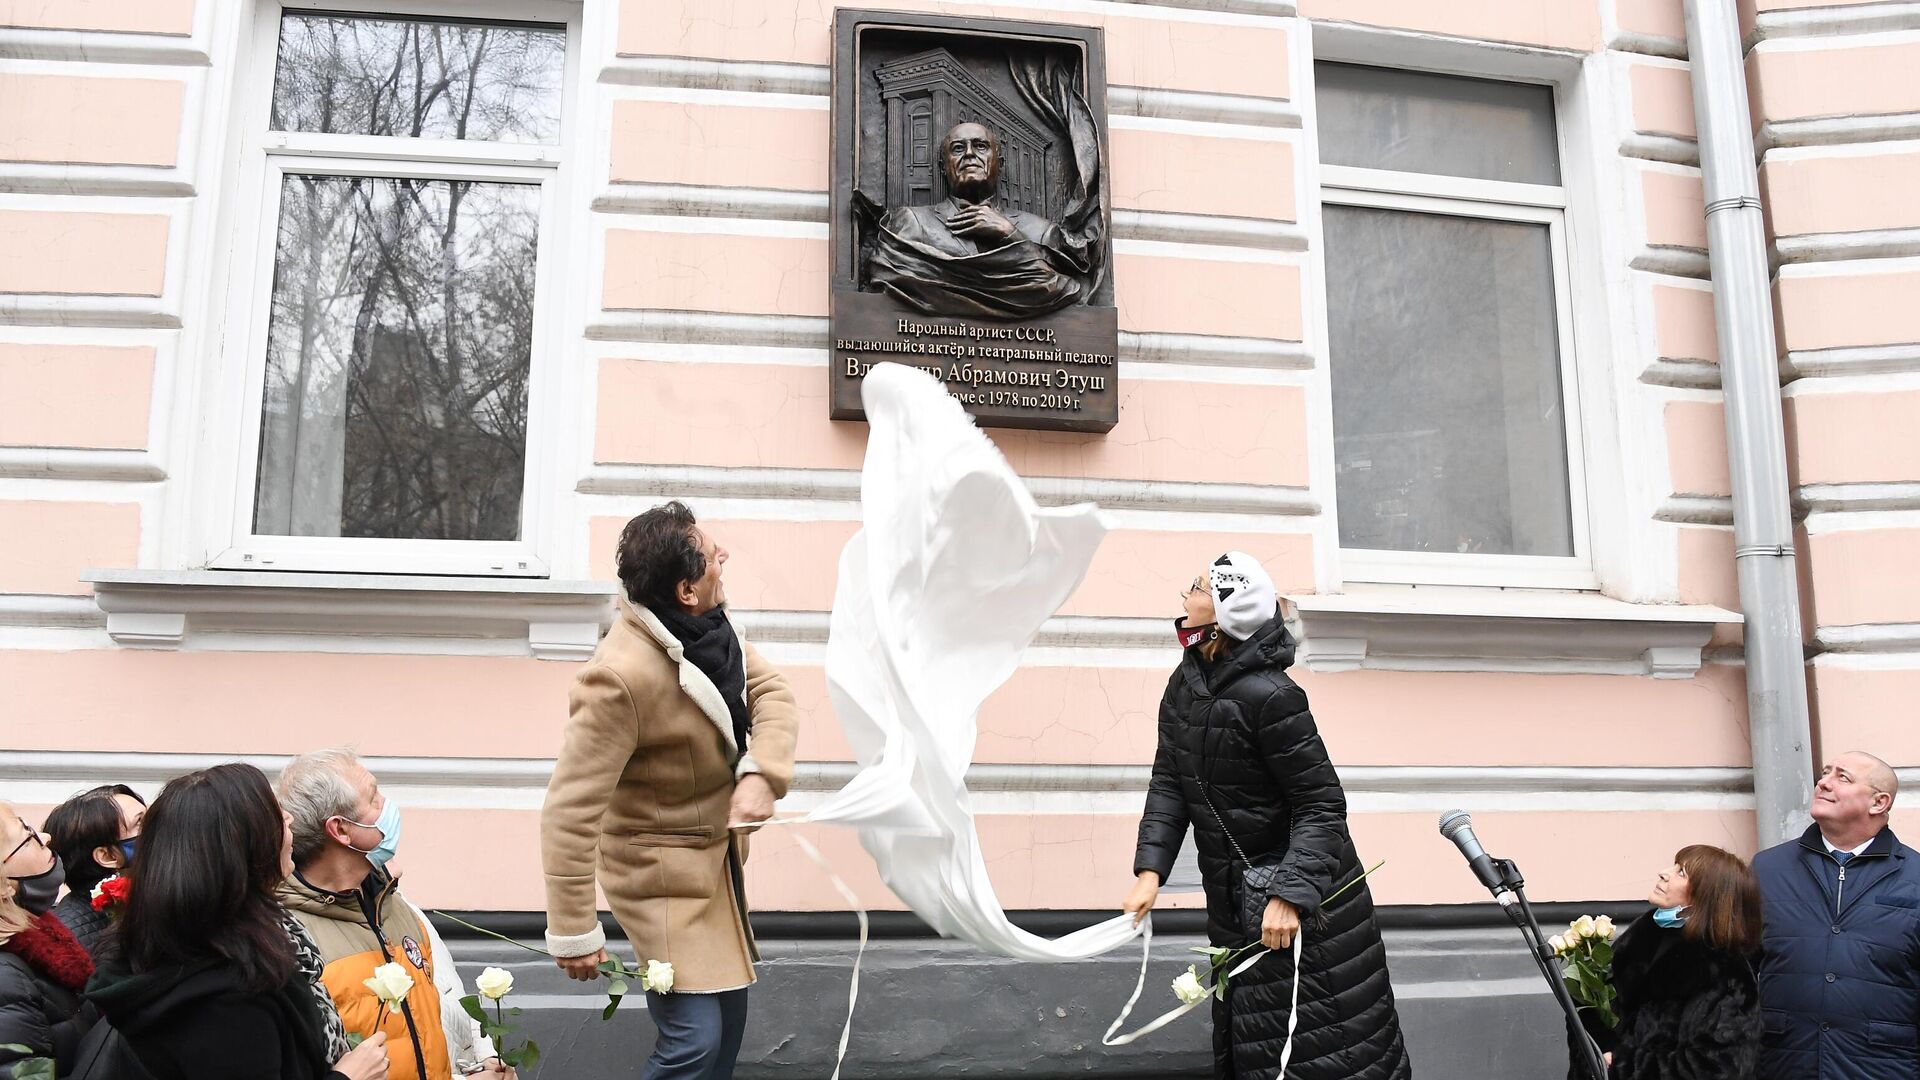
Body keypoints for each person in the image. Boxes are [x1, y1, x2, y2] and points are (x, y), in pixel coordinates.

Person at [1124, 551, 1411, 1080]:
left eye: (1196, 587)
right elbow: (1170, 779)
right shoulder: (1186, 683)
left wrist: (1289, 894)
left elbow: (1322, 805)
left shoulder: (1273, 697)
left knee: (1328, 1052)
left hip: (1304, 919)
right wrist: (1150, 872)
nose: (1184, 594)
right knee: (1255, 1046)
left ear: (1221, 616)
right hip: (1238, 909)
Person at [542, 501, 800, 1080]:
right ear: (687, 588)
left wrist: (763, 771)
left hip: (714, 869)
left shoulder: (710, 630)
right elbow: (569, 811)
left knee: (729, 1023)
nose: (724, 556)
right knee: (695, 1041)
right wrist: (573, 933)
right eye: (712, 555)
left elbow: (773, 694)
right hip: (660, 880)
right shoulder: (618, 677)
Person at [85, 763, 391, 1080]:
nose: (289, 818)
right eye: (272, 813)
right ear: (242, 848)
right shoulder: (226, 995)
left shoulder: (195, 949)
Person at [277, 748, 511, 1080]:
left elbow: (441, 1027)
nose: (387, 805)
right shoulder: (289, 939)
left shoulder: (396, 906)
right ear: (341, 830)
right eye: (373, 798)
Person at [1754, 751, 1919, 1080]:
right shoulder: (1767, 868)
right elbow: (1735, 971)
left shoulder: (1915, 877)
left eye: (1842, 777)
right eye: (1825, 773)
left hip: (1884, 1067)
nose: (1823, 783)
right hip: (1783, 1063)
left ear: (1879, 803)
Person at [863, 121, 1091, 317]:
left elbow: (1066, 289)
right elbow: (885, 274)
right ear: (943, 167)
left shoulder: (1040, 231)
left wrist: (1011, 237)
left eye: (980, 146)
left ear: (999, 163)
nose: (969, 154)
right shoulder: (912, 222)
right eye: (958, 148)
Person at [1586, 846, 1762, 1079]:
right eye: (1675, 866)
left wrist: (1622, 1066)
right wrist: (1594, 1052)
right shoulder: (1645, 933)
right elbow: (1598, 1008)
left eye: (1682, 873)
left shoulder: (1725, 971)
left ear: (1706, 895)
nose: (1664, 873)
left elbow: (1718, 1066)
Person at [0, 803, 96, 1078]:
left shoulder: (42, 939)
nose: (45, 838)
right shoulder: (7, 977)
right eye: (27, 835)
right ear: (5, 883)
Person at [44, 784, 145, 960]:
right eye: (140, 822)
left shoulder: (140, 901)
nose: (159, 827)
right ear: (107, 856)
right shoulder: (74, 943)